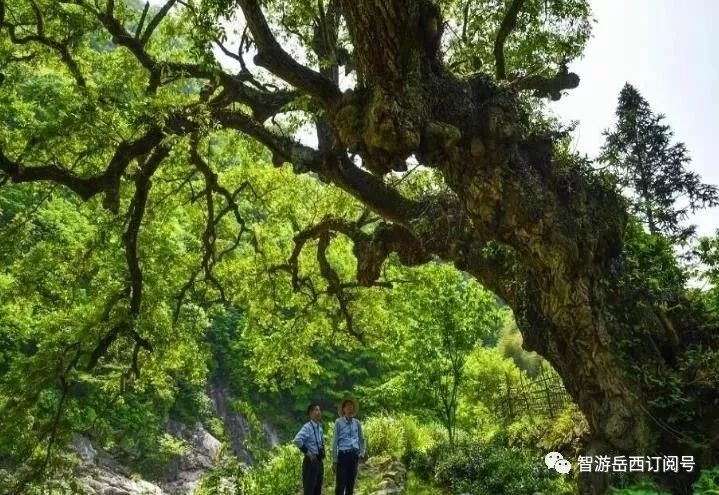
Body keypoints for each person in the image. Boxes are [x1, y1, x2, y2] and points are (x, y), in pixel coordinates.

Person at [332, 397, 366, 495]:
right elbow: (335, 442)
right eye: (347, 406)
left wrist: (362, 452)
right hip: (343, 455)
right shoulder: (338, 422)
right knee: (340, 485)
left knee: (350, 484)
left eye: (352, 406)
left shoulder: (357, 423)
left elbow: (362, 439)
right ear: (343, 409)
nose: (350, 408)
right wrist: (334, 460)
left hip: (354, 456)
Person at [293, 403, 326, 495]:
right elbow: (297, 440)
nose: (318, 412)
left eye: (319, 410)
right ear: (310, 413)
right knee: (309, 489)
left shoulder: (320, 427)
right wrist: (308, 453)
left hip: (319, 461)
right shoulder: (307, 427)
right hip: (310, 462)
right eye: (316, 410)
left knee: (318, 489)